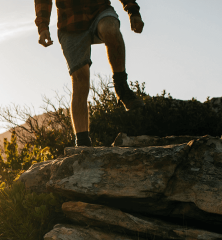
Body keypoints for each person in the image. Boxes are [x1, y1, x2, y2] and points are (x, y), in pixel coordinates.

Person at [34, 0, 146, 146]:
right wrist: (43, 27)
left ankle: (121, 87)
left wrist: (133, 11)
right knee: (80, 79)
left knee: (110, 30)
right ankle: (82, 142)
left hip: (100, 10)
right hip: (70, 23)